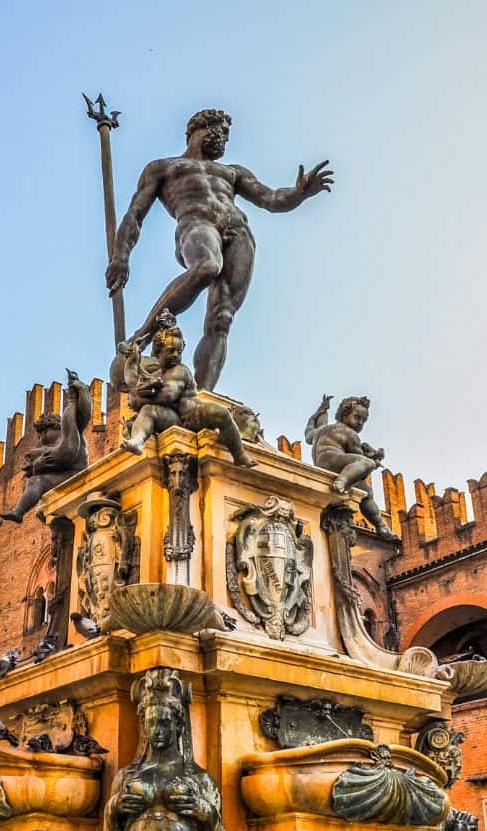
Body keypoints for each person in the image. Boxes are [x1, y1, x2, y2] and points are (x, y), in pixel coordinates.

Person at [106, 109, 333, 391]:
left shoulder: (233, 173)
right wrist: (121, 257)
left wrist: (300, 193)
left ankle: (201, 397)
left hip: (238, 231)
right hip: (195, 224)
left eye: (227, 134)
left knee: (222, 317)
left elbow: (272, 199)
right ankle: (142, 337)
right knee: (206, 267)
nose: (225, 138)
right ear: (201, 128)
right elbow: (134, 215)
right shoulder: (163, 167)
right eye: (221, 130)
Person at [103, 668, 229, 831]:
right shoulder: (125, 777)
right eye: (151, 723)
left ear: (178, 725)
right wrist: (114, 808)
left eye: (164, 722)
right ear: (144, 725)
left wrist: (207, 813)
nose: (157, 731)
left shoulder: (200, 779)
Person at [119, 314, 256, 468]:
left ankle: (239, 454)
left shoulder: (180, 370)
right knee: (148, 411)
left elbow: (168, 395)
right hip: (175, 419)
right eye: (171, 351)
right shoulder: (157, 375)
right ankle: (137, 441)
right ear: (159, 351)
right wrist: (132, 358)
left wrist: (140, 396)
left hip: (194, 414)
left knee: (220, 412)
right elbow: (132, 380)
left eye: (179, 351)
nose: (176, 355)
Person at [0, 370, 90, 523]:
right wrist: (36, 466)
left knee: (37, 481)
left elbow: (85, 412)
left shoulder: (70, 426)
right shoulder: (49, 448)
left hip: (78, 474)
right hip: (66, 476)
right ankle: (18, 511)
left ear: (54, 426)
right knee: (36, 481)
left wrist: (81, 390)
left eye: (42, 433)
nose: (41, 439)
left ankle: (18, 511)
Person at [306, 395, 394, 536]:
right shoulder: (350, 433)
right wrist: (374, 459)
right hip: (335, 462)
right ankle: (342, 481)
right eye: (357, 417)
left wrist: (320, 411)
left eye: (363, 420)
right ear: (344, 414)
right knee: (368, 463)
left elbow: (308, 433)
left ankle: (381, 526)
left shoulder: (320, 430)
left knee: (366, 492)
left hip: (322, 464)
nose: (360, 423)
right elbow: (359, 458)